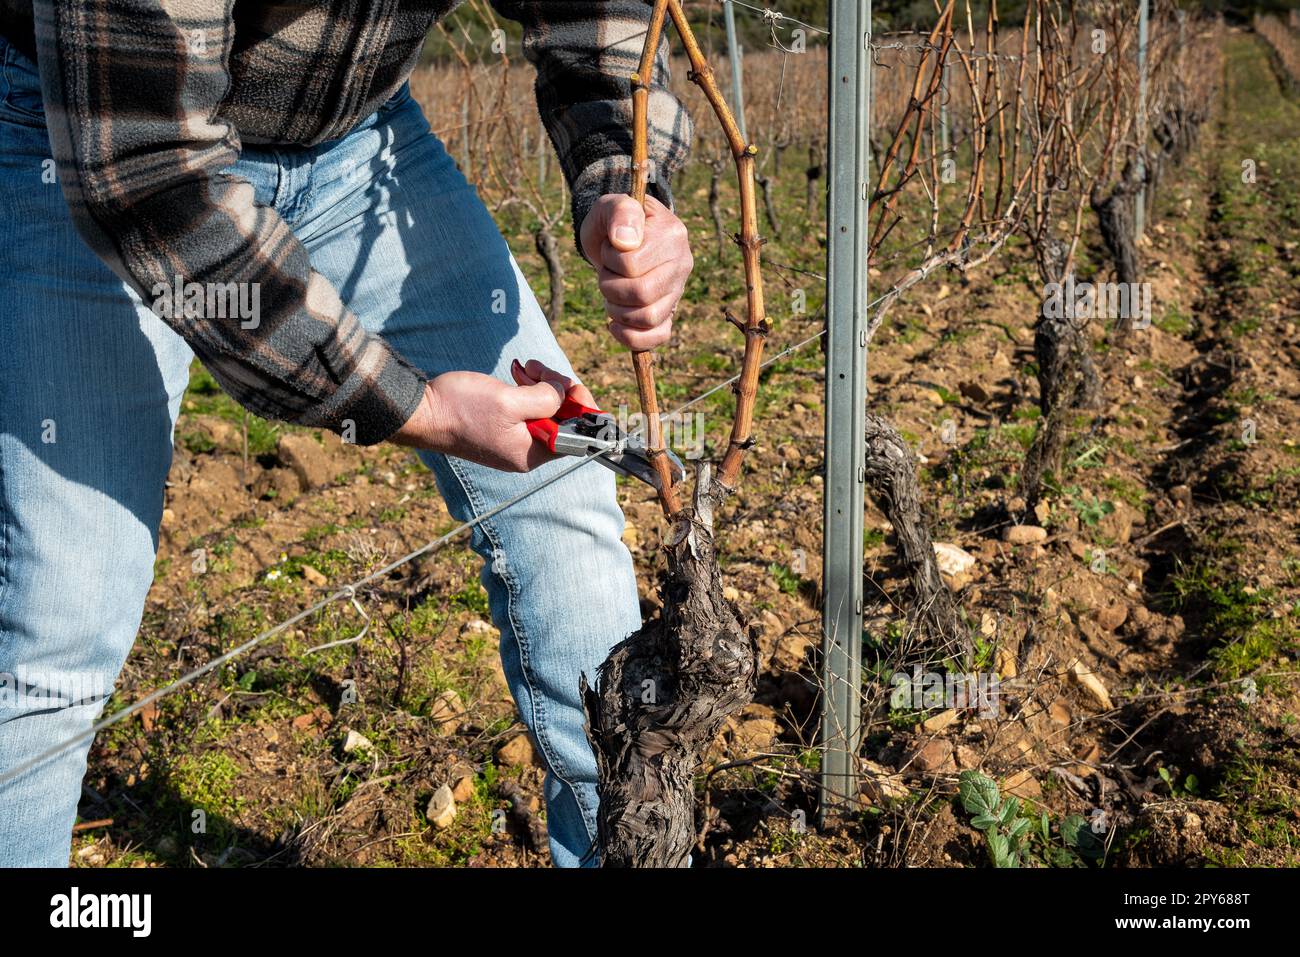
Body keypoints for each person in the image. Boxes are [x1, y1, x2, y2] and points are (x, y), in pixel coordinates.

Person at [0, 0, 695, 867]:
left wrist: (625, 185)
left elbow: (595, 14)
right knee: (59, 613)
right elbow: (145, 169)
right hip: (93, 140)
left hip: (360, 142)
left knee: (564, 485)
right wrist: (413, 407)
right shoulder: (128, 142)